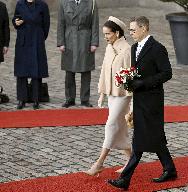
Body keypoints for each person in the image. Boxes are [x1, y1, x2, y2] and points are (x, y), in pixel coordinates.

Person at [107, 16, 177, 190]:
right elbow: (136, 72)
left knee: (139, 141)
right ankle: (170, 169)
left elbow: (167, 73)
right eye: (129, 30)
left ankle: (125, 179)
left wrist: (144, 83)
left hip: (152, 100)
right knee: (155, 137)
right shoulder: (134, 48)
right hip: (139, 99)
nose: (130, 33)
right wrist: (129, 82)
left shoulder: (157, 49)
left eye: (133, 30)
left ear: (144, 28)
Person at [84, 16, 132, 176]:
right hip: (112, 94)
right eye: (104, 34)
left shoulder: (127, 50)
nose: (105, 37)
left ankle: (99, 163)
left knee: (111, 125)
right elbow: (104, 71)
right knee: (120, 128)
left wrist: (133, 104)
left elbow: (131, 77)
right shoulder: (109, 48)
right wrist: (102, 93)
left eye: (108, 34)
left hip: (124, 95)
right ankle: (132, 160)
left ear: (117, 33)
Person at [57, 0, 99, 108]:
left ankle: (85, 99)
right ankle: (69, 99)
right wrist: (61, 42)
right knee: (69, 71)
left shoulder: (91, 3)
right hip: (69, 39)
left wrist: (94, 43)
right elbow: (61, 24)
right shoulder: (64, 3)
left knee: (86, 71)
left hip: (85, 40)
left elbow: (95, 24)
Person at [12, 0, 50, 110]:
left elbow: (46, 25)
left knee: (36, 72)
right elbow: (15, 19)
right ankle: (21, 99)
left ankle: (36, 99)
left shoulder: (42, 5)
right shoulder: (20, 4)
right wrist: (16, 22)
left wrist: (40, 38)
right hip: (23, 42)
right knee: (21, 72)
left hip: (36, 41)